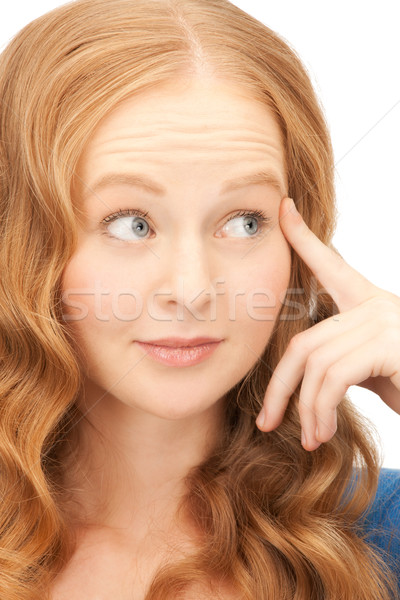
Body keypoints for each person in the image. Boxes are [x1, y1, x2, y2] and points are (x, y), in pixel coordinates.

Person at [0, 0, 399, 598]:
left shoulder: (379, 533)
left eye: (242, 222)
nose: (191, 291)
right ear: (19, 238)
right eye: (130, 222)